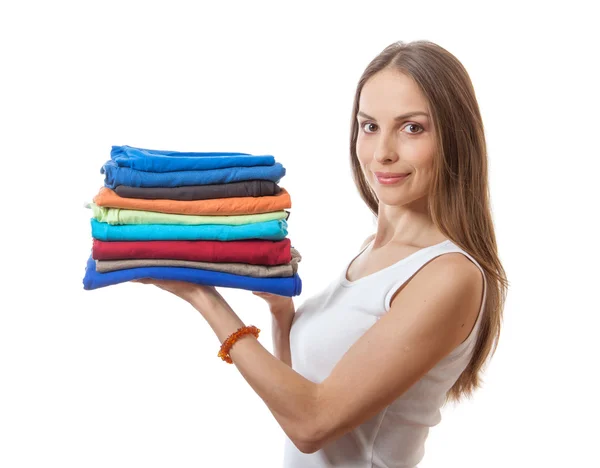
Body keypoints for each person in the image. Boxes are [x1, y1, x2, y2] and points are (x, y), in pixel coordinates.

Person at [133, 39, 508, 468]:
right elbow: (299, 395)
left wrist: (203, 296)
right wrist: (281, 311)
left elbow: (312, 423)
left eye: (412, 128)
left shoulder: (448, 274)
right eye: (369, 126)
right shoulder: (373, 252)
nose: (382, 151)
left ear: (455, 139)